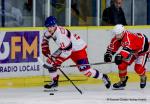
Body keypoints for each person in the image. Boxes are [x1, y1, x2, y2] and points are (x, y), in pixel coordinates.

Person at [41, 16, 111, 89]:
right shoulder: (50, 31)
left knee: (86, 72)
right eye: (47, 27)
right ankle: (54, 82)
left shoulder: (60, 36)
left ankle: (103, 76)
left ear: (55, 25)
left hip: (78, 49)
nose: (49, 29)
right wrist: (45, 48)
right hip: (66, 47)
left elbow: (68, 51)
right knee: (50, 62)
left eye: (50, 27)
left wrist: (58, 62)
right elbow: (45, 39)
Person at [104, 24, 149, 89]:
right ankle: (122, 82)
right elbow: (112, 48)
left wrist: (120, 56)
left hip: (142, 50)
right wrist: (108, 55)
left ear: (123, 32)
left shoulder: (128, 37)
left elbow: (126, 50)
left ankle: (143, 77)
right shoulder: (118, 36)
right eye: (115, 34)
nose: (116, 36)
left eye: (118, 34)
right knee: (121, 65)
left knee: (138, 69)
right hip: (132, 50)